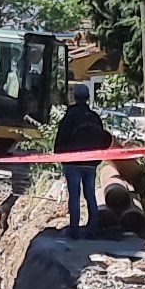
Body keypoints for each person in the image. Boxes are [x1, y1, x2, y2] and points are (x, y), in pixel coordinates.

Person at [53, 86, 111, 232]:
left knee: (74, 195)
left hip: (73, 162)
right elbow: (104, 138)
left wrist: (59, 154)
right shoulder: (94, 116)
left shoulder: (71, 114)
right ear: (88, 97)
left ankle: (74, 228)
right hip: (91, 163)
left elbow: (62, 135)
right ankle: (93, 227)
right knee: (90, 194)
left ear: (74, 97)